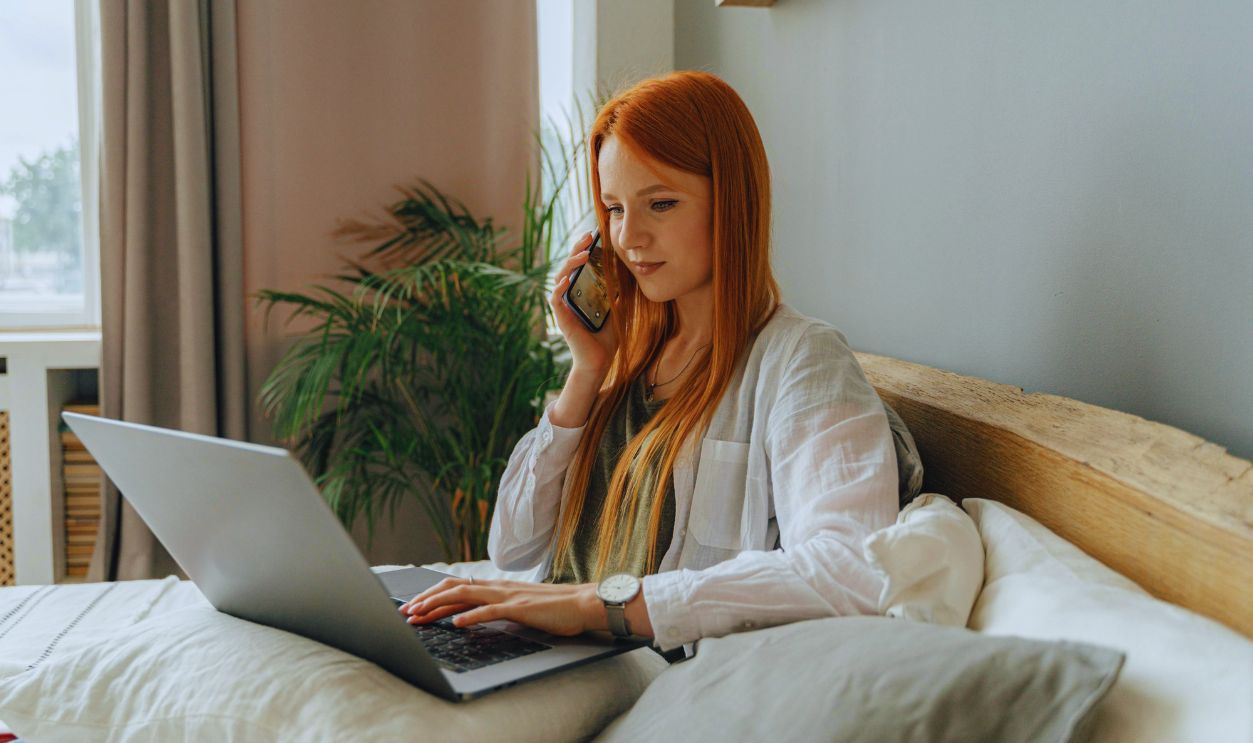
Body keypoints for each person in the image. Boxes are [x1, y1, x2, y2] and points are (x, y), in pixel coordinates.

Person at [398, 70, 899, 659]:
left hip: (633, 671)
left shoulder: (801, 361)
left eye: (659, 203)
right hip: (549, 652)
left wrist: (593, 606)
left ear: (732, 201)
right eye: (613, 208)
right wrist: (586, 371)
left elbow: (850, 569)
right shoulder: (625, 360)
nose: (628, 237)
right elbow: (512, 546)